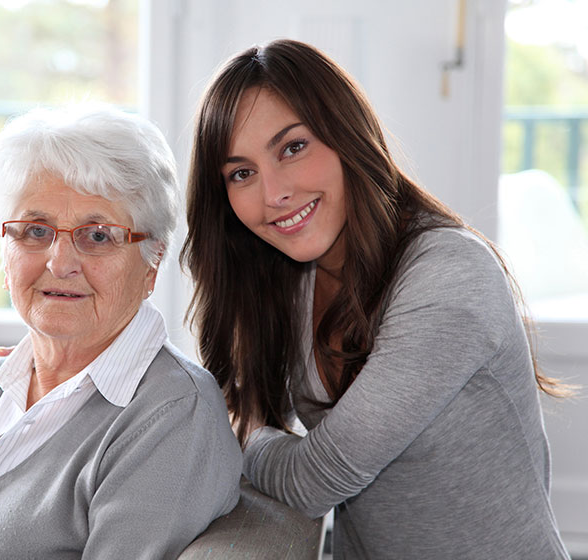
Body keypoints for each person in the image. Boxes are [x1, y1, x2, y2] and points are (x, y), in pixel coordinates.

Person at [180, 39, 572, 558]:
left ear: (346, 136)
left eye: (293, 147)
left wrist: (245, 430)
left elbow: (315, 479)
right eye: (242, 173)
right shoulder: (291, 272)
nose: (273, 193)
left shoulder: (449, 275)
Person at [0, 104, 242, 559]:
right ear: (3, 254)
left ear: (152, 263)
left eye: (97, 235)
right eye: (34, 230)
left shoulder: (171, 417)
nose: (59, 263)